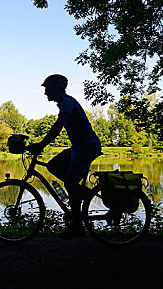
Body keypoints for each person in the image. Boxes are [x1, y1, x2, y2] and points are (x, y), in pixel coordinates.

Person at [27, 74, 102, 239]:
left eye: (47, 88)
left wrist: (41, 145)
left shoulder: (67, 102)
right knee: (53, 166)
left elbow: (58, 126)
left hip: (87, 147)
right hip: (78, 147)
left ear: (57, 88)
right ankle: (81, 193)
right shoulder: (64, 103)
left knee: (69, 183)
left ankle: (77, 225)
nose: (45, 92)